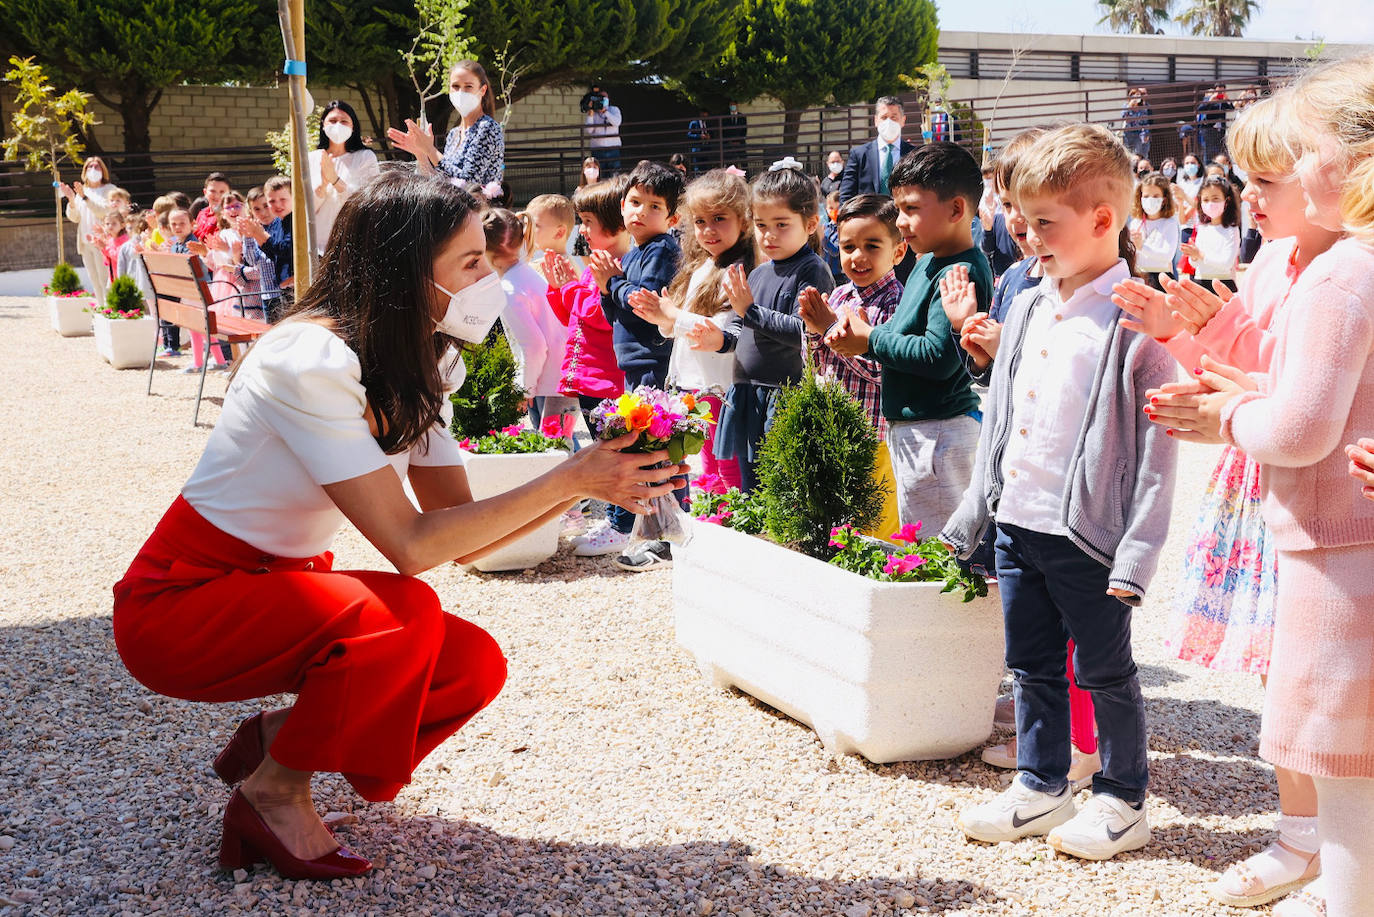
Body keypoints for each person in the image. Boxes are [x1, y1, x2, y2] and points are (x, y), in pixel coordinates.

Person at [111, 170, 685, 882]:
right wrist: (573, 477)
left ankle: (274, 740)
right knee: (404, 616)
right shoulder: (310, 358)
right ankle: (273, 792)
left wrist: (589, 483)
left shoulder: (424, 354)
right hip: (179, 603)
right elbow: (413, 549)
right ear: (404, 272)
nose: (492, 278)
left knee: (469, 664)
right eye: (472, 263)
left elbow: (458, 529)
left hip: (267, 585)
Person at [1145, 54, 1374, 917]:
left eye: (1285, 160)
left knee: (1344, 758)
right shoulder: (1319, 266)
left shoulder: (1342, 272)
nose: (1254, 191)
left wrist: (1226, 420)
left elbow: (1299, 423)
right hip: (1337, 527)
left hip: (1334, 537)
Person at [944, 124, 1177, 862]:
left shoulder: (1138, 321)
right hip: (1019, 520)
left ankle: (1122, 796)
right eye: (1021, 218)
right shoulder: (1032, 305)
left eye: (1045, 222)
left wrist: (1136, 555)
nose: (1026, 236)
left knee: (1105, 670)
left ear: (1104, 220)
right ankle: (1041, 781)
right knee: (1032, 661)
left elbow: (1157, 452)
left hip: (1088, 535)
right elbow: (1009, 405)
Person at [946, 127, 1101, 790]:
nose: (1015, 220)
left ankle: (1078, 744)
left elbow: (1077, 375)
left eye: (1031, 207)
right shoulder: (1015, 277)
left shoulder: (1087, 288)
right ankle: (1046, 734)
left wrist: (1005, 340)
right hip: (1018, 472)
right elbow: (1002, 376)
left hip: (1066, 482)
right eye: (1006, 202)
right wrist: (977, 339)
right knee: (1035, 626)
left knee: (1076, 629)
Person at [824, 142, 989, 534]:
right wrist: (867, 331)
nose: (900, 221)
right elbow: (906, 328)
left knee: (938, 554)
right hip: (919, 430)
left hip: (939, 433)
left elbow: (938, 355)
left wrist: (870, 340)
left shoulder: (959, 269)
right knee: (918, 543)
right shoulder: (929, 258)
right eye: (899, 209)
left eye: (912, 209)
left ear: (956, 210)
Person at [686, 161, 835, 493]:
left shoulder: (813, 270)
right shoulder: (759, 272)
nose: (769, 235)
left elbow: (804, 332)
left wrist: (750, 311)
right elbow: (741, 330)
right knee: (748, 482)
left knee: (779, 485)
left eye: (781, 224)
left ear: (810, 224)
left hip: (782, 392)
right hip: (747, 389)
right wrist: (721, 341)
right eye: (762, 225)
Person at [581, 161, 685, 555]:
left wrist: (614, 284)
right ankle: (655, 529)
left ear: (671, 217)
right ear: (622, 206)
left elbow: (643, 302)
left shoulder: (660, 249)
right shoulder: (638, 251)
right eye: (635, 201)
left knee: (656, 447)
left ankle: (667, 533)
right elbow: (617, 311)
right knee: (643, 446)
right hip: (634, 362)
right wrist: (609, 289)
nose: (641, 211)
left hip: (652, 362)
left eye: (654, 206)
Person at [630, 168, 754, 496]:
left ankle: (731, 517)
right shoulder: (701, 266)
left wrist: (674, 316)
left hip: (719, 385)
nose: (708, 230)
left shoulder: (739, 269)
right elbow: (677, 330)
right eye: (699, 221)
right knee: (705, 461)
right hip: (693, 383)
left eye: (719, 219)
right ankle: (713, 508)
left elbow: (726, 334)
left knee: (725, 459)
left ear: (744, 219)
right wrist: (662, 318)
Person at [797, 193, 905, 538]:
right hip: (834, 427)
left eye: (872, 246)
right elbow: (815, 363)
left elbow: (883, 369)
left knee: (876, 525)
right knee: (838, 520)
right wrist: (814, 331)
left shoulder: (897, 301)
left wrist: (830, 328)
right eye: (848, 247)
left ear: (898, 251)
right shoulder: (841, 296)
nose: (858, 257)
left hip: (874, 435)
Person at [546, 179, 632, 550]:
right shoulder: (593, 264)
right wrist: (558, 288)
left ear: (614, 224)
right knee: (605, 451)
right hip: (588, 379)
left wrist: (570, 290)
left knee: (617, 455)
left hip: (606, 381)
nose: (583, 229)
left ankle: (621, 525)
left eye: (588, 221)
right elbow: (572, 316)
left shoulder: (618, 266)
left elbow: (600, 315)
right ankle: (618, 521)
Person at [483, 208, 569, 432]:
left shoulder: (510, 289)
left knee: (558, 448)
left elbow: (534, 347)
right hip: (556, 375)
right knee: (561, 446)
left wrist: (523, 388)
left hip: (549, 382)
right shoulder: (524, 275)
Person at [387, 61, 504, 188]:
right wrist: (421, 154)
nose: (461, 92)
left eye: (468, 86)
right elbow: (442, 183)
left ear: (482, 90)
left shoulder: (487, 128)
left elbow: (469, 182)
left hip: (482, 207)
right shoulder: (454, 134)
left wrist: (430, 150)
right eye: (455, 86)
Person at [309, 100, 380, 255]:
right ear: (323, 124)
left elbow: (368, 202)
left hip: (351, 243)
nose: (338, 125)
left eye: (344, 121)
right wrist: (322, 186)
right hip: (316, 246)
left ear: (353, 126)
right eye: (333, 121)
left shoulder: (365, 157)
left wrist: (335, 180)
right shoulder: (312, 158)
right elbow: (303, 208)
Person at [60, 156, 117, 304]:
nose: (93, 170)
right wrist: (72, 200)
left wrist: (85, 197)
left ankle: (109, 308)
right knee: (94, 278)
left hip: (102, 242)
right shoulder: (82, 191)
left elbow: (103, 211)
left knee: (105, 278)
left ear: (103, 170)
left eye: (97, 167)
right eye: (89, 167)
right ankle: (100, 307)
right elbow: (75, 217)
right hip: (85, 242)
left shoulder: (110, 190)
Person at [839, 97, 916, 202]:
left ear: (903, 120)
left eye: (894, 117)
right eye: (884, 117)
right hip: (869, 215)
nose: (889, 122)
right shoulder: (859, 155)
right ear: (876, 120)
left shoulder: (914, 154)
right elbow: (846, 195)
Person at [238, 176, 295, 295]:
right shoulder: (281, 221)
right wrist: (255, 235)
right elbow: (275, 255)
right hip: (281, 288)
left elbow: (286, 249)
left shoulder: (294, 220)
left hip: (294, 287)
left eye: (283, 199)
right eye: (272, 201)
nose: (277, 205)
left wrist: (261, 235)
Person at [1181, 176, 1240, 291]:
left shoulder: (1231, 230)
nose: (1210, 204)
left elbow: (1226, 263)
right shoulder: (1202, 228)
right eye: (1206, 200)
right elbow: (1194, 265)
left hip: (1222, 284)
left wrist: (1200, 255)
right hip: (1200, 282)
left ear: (1226, 201)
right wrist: (1193, 256)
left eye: (1215, 198)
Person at [1130, 172, 1180, 290]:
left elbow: (1167, 256)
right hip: (1139, 277)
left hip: (1160, 279)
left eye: (1156, 196)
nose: (1150, 200)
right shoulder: (1136, 223)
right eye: (1146, 196)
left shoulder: (1170, 223)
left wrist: (1142, 247)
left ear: (1164, 199)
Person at [522, 194, 584, 282]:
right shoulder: (538, 264)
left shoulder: (564, 271)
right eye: (525, 224)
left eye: (535, 226)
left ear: (560, 232)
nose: (525, 231)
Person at [582, 86, 623, 175]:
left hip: (613, 148)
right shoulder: (594, 113)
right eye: (600, 98)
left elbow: (617, 122)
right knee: (599, 175)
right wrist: (591, 113)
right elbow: (589, 130)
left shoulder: (614, 109)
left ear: (608, 99)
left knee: (615, 175)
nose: (602, 100)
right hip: (598, 149)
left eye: (604, 98)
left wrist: (605, 112)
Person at [1195, 84, 1234, 164]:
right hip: (1208, 129)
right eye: (1218, 91)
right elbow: (1199, 109)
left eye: (1222, 91)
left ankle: (1224, 168)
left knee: (1222, 150)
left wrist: (1227, 99)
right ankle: (1208, 169)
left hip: (1220, 130)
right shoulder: (1208, 99)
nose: (1220, 93)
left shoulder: (1223, 100)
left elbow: (1231, 108)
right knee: (1208, 151)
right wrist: (1210, 101)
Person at [194, 173, 233, 242]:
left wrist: (194, 231)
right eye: (212, 191)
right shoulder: (201, 213)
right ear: (205, 192)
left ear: (229, 193)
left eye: (222, 192)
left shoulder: (229, 216)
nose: (217, 195)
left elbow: (215, 242)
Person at [1120, 87, 1152, 160]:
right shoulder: (1126, 105)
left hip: (1138, 134)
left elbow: (1145, 122)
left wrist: (1146, 133)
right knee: (1127, 153)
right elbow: (1123, 116)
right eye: (1135, 96)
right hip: (1127, 134)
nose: (1137, 98)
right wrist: (1130, 106)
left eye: (1138, 96)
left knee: (1137, 154)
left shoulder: (1142, 108)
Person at [722, 101, 748, 168]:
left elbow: (744, 130)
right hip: (728, 143)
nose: (732, 107)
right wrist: (729, 141)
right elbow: (724, 131)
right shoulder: (725, 117)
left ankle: (747, 176)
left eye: (734, 105)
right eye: (731, 105)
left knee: (743, 161)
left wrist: (739, 140)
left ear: (737, 105)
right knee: (729, 162)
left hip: (740, 143)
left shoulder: (742, 116)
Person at [687, 108, 712, 172]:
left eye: (706, 116)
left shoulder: (708, 124)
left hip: (706, 148)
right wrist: (699, 136)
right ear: (701, 114)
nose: (705, 117)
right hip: (697, 149)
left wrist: (709, 136)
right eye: (704, 115)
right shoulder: (694, 123)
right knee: (697, 168)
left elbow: (711, 133)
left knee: (706, 168)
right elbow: (689, 135)